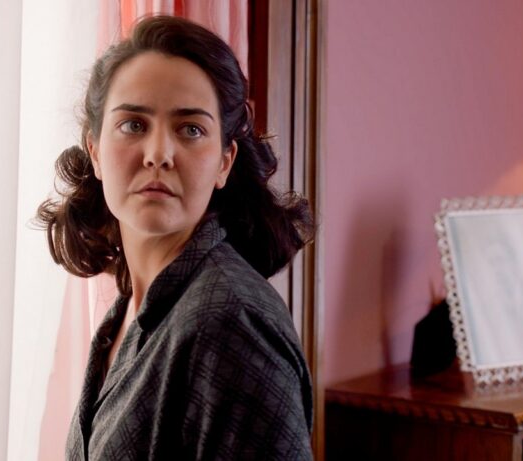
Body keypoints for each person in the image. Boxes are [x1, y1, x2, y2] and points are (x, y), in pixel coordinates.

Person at [37, 15, 315, 461]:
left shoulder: (231, 322)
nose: (159, 154)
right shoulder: (125, 315)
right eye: (133, 125)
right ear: (95, 151)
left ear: (224, 162)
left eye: (191, 129)